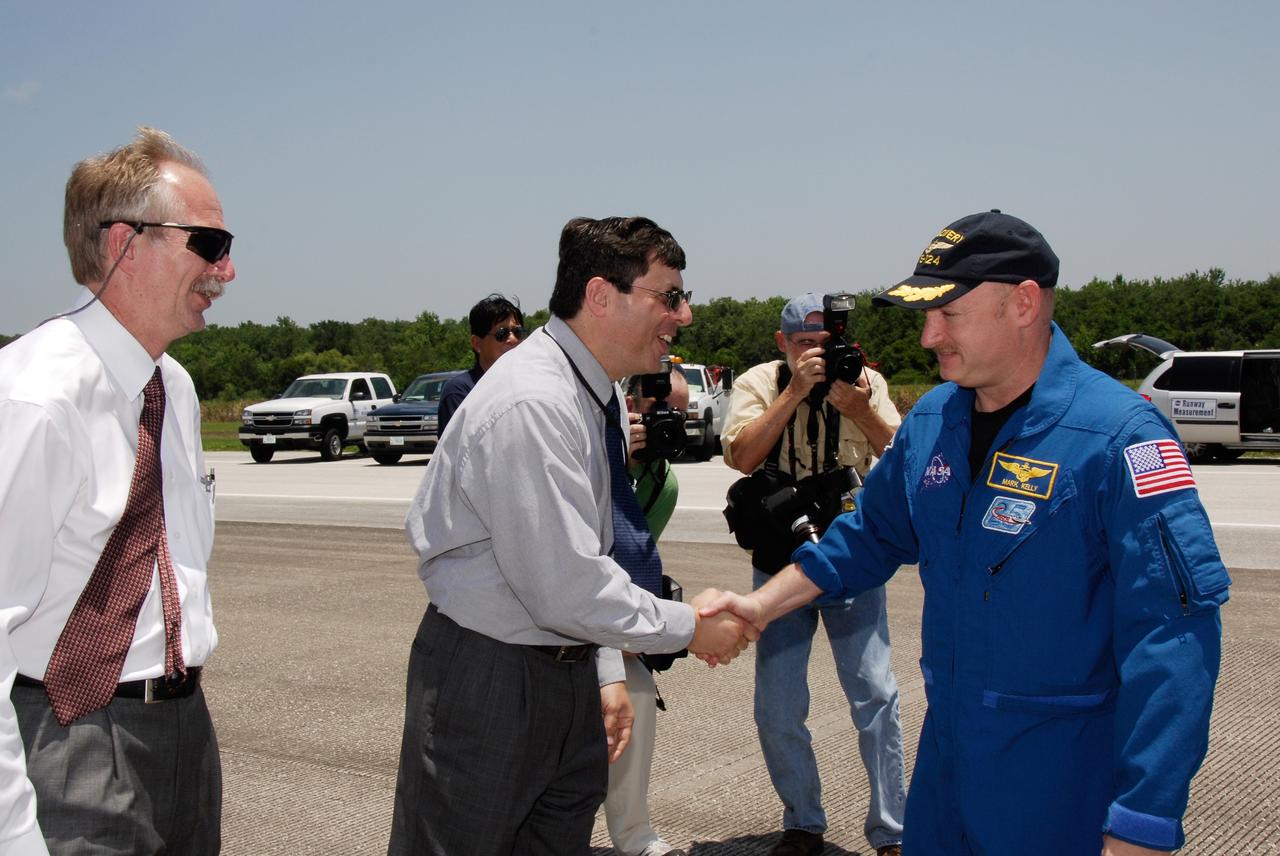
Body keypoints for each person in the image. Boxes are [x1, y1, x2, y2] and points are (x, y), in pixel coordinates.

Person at [704, 211, 1230, 855]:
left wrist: (1142, 823)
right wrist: (758, 605)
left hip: (1061, 786)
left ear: (1023, 303)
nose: (928, 336)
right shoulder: (932, 423)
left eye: (947, 314)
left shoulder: (1121, 437)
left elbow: (1174, 636)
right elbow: (865, 537)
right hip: (947, 775)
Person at [390, 216, 755, 856]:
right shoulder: (535, 401)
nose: (685, 315)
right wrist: (691, 625)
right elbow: (565, 584)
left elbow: (591, 549)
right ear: (599, 296)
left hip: (568, 667)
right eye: (668, 296)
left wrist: (606, 671)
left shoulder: (596, 393)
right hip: (492, 679)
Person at [0, 127, 236, 855]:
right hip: (69, 732)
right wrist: (14, 834)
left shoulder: (176, 388)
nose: (226, 272)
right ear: (124, 244)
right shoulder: (35, 397)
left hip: (182, 731)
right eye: (209, 243)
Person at [720, 294, 906, 856]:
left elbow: (901, 454)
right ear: (783, 344)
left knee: (875, 694)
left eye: (824, 345)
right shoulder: (761, 380)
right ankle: (802, 821)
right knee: (777, 704)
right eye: (804, 344)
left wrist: (861, 409)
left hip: (852, 555)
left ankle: (892, 831)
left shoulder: (865, 379)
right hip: (782, 558)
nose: (816, 356)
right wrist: (794, 391)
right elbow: (742, 457)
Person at [603, 364, 692, 856]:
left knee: (636, 691)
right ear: (631, 405)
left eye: (678, 414)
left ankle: (634, 835)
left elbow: (632, 562)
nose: (669, 422)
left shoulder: (666, 483)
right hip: (551, 610)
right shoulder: (597, 448)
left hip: (610, 619)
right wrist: (617, 456)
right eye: (660, 410)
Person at [436, 292, 525, 435]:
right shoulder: (460, 392)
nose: (513, 339)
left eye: (518, 332)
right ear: (477, 344)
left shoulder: (529, 386)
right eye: (502, 333)